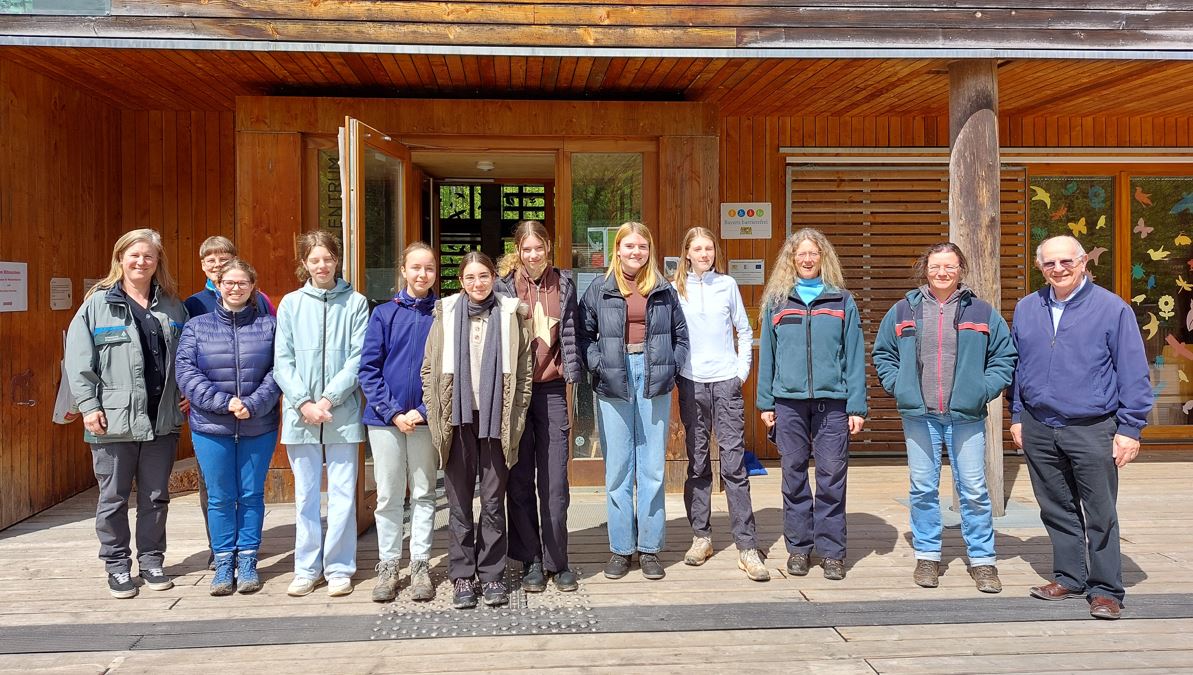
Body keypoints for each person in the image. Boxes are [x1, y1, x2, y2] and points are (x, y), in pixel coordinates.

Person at [1009, 235, 1152, 620]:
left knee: (1100, 511)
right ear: (1040, 267)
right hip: (1039, 425)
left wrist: (1131, 428)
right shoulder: (1026, 308)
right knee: (1055, 507)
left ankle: (1106, 589)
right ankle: (1070, 577)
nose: (1058, 269)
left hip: (1093, 427)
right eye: (1049, 264)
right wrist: (1018, 416)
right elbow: (1019, 368)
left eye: (1066, 262)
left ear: (1084, 262)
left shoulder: (1112, 309)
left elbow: (1134, 372)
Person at [872, 242, 1016, 593]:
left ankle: (983, 561)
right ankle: (928, 556)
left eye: (949, 266)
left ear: (960, 269)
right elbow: (883, 354)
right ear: (926, 269)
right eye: (936, 266)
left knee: (975, 491)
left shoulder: (981, 311)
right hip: (920, 416)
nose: (942, 272)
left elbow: (1005, 356)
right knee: (922, 489)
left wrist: (981, 390)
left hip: (966, 416)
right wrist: (900, 386)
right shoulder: (904, 309)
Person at [65, 228, 188, 599]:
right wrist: (88, 407)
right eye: (134, 255)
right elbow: (78, 363)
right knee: (114, 498)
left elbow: (184, 358)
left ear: (157, 263)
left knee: (155, 496)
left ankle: (151, 560)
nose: (141, 262)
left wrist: (187, 394)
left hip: (161, 420)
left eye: (148, 256)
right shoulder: (97, 304)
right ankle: (117, 566)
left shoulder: (171, 306)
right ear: (120, 258)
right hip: (111, 420)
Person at [578, 221, 689, 582]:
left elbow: (681, 335)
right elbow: (584, 335)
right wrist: (598, 364)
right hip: (614, 377)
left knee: (653, 469)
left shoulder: (663, 289)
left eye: (642, 246)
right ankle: (621, 548)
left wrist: (672, 365)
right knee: (619, 470)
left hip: (652, 373)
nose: (635, 253)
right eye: (629, 247)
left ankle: (650, 548)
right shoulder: (600, 288)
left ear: (649, 250)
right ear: (618, 250)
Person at [422, 251, 533, 610]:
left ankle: (492, 575)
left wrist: (515, 413)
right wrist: (435, 408)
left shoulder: (511, 315)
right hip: (457, 420)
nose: (477, 283)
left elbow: (524, 371)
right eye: (470, 277)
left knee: (491, 502)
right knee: (457, 504)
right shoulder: (446, 313)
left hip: (495, 421)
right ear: (461, 281)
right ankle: (462, 576)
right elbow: (430, 369)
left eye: (483, 276)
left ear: (492, 278)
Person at [756, 228, 866, 581]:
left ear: (823, 259)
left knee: (833, 478)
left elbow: (854, 355)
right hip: (788, 404)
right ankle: (799, 549)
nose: (807, 259)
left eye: (813, 254)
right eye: (800, 254)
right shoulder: (777, 301)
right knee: (793, 477)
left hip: (833, 404)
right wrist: (765, 402)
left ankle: (832, 551)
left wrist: (856, 406)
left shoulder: (841, 300)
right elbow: (768, 357)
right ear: (791, 259)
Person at [175, 258, 280, 596]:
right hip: (211, 426)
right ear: (218, 285)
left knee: (250, 494)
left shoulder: (268, 327)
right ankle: (223, 561)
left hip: (258, 424)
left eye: (243, 283)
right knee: (220, 497)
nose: (235, 288)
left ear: (253, 287)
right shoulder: (197, 327)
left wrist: (253, 404)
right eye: (229, 283)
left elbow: (279, 371)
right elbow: (186, 372)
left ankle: (248, 559)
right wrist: (225, 403)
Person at [274, 231, 369, 598]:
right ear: (304, 264)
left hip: (341, 413)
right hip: (301, 416)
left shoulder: (356, 303)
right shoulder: (291, 305)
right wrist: (304, 403)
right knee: (307, 496)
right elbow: (282, 361)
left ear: (337, 260)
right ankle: (306, 568)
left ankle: (340, 567)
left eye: (328, 258)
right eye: (314, 260)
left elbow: (358, 358)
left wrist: (328, 400)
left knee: (344, 494)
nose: (322, 265)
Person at [672, 227, 769, 582]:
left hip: (725, 384)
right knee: (697, 463)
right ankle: (701, 537)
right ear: (687, 253)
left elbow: (744, 330)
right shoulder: (675, 289)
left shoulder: (726, 285)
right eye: (697, 248)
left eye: (709, 248)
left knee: (733, 465)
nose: (704, 254)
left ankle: (746, 546)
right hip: (691, 382)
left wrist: (739, 373)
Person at [495, 221, 583, 593]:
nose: (533, 255)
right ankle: (530, 559)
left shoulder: (564, 284)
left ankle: (557, 561)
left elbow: (574, 334)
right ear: (518, 250)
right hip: (515, 393)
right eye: (526, 249)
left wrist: (576, 375)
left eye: (539, 248)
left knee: (554, 481)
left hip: (551, 391)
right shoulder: (503, 288)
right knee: (518, 479)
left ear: (549, 246)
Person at [359, 242, 439, 603]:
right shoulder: (383, 315)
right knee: (390, 495)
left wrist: (422, 409)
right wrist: (393, 411)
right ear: (403, 271)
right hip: (384, 420)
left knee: (423, 493)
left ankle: (420, 563)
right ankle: (389, 564)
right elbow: (369, 369)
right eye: (416, 268)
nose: (422, 274)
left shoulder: (443, 314)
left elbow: (446, 372)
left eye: (429, 268)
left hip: (426, 419)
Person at [183, 235, 276, 318]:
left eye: (223, 259)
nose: (217, 265)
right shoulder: (193, 303)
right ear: (203, 265)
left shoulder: (259, 299)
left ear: (234, 261)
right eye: (211, 261)